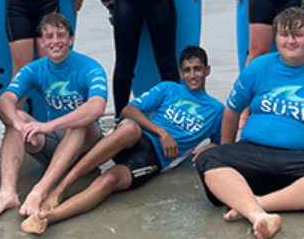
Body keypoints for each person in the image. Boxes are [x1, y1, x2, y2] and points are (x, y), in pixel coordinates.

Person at [20, 45, 225, 234]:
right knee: (129, 127)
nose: (192, 75)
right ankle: (60, 189)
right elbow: (129, 110)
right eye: (187, 70)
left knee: (109, 179)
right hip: (132, 137)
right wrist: (163, 133)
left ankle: (48, 218)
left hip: (153, 159)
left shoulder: (216, 110)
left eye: (197, 69)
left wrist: (208, 149)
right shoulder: (168, 89)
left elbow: (221, 144)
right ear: (181, 73)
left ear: (207, 70)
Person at [194, 8, 304, 239]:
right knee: (208, 159)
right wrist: (225, 149)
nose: (290, 41)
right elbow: (231, 111)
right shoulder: (257, 67)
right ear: (276, 38)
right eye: (284, 34)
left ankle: (254, 206)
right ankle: (260, 216)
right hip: (253, 153)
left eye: (298, 35)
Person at [0, 13, 109, 222]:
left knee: (80, 122)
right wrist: (20, 125)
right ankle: (7, 193)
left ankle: (39, 191)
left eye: (61, 35)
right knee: (18, 116)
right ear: (41, 41)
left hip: (86, 149)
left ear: (71, 39)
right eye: (48, 36)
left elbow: (97, 108)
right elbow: (5, 100)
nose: (55, 41)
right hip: (54, 147)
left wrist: (48, 125)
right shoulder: (34, 68)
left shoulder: (89, 67)